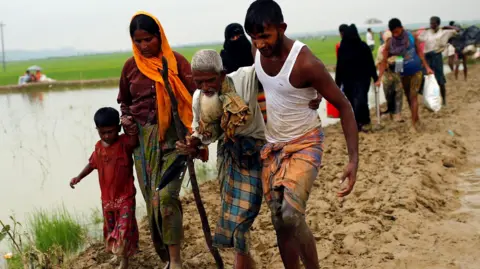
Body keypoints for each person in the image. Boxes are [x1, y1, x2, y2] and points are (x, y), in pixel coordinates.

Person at [244, 1, 359, 268]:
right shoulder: (257, 51)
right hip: (273, 146)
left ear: (282, 28)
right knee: (278, 220)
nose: (260, 43)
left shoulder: (306, 63)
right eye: (255, 37)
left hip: (306, 141)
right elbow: (266, 89)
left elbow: (344, 106)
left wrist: (353, 159)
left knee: (291, 217)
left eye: (265, 36)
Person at [117, 11, 203, 269]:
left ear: (159, 36)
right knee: (152, 202)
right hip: (143, 146)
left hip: (174, 141)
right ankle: (165, 255)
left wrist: (196, 136)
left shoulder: (175, 63)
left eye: (149, 40)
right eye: (138, 41)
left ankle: (175, 261)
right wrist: (126, 119)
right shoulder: (130, 67)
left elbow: (196, 98)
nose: (144, 46)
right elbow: (124, 101)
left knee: (166, 197)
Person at [70, 107, 139, 269]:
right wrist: (78, 177)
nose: (107, 136)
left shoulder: (124, 143)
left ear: (118, 129)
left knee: (123, 229)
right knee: (110, 229)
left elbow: (134, 140)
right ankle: (117, 256)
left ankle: (124, 261)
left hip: (125, 197)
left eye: (110, 132)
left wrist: (131, 126)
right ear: (97, 131)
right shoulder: (98, 148)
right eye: (103, 133)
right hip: (108, 200)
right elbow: (92, 164)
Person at [376, 18, 433, 131]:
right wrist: (379, 78)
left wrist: (427, 67)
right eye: (393, 33)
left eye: (397, 31)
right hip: (403, 73)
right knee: (408, 97)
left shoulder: (412, 36)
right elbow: (383, 61)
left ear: (401, 28)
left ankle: (414, 124)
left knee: (413, 96)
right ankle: (416, 119)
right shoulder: (390, 43)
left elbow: (419, 52)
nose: (395, 34)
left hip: (416, 70)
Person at [336, 24, 378, 131]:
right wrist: (337, 83)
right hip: (348, 80)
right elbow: (339, 66)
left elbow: (370, 63)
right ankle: (356, 123)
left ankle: (364, 121)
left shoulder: (363, 47)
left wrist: (375, 77)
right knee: (351, 102)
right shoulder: (343, 48)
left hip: (363, 79)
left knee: (361, 100)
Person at [418, 16, 458, 106]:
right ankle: (429, 99)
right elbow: (418, 39)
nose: (432, 25)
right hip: (427, 57)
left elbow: (458, 30)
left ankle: (444, 100)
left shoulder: (445, 32)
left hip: (437, 56)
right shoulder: (427, 32)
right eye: (431, 23)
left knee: (440, 80)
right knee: (425, 78)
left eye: (434, 23)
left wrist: (447, 27)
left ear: (438, 24)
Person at [375, 30, 404, 122]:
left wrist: (397, 70)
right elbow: (379, 63)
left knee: (399, 94)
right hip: (387, 74)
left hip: (396, 73)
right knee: (389, 95)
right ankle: (391, 113)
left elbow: (400, 61)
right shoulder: (381, 49)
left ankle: (398, 115)